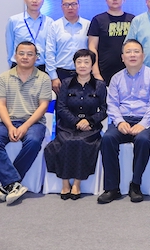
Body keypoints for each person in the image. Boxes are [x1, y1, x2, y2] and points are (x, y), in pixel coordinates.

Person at [0, 41, 52, 205]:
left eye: (30, 54)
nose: (25, 57)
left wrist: (25, 126)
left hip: (34, 122)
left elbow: (43, 106)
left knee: (34, 141)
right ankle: (13, 183)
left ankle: (8, 184)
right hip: (9, 121)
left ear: (36, 58)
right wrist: (9, 126)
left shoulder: (43, 78)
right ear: (15, 56)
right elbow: (1, 105)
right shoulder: (4, 77)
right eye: (21, 53)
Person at [97, 40, 150, 204]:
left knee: (143, 140)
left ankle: (136, 185)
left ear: (143, 55)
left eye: (136, 51)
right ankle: (112, 188)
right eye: (128, 52)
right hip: (123, 120)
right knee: (107, 139)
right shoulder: (116, 78)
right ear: (122, 57)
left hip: (145, 121)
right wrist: (119, 122)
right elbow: (112, 104)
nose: (132, 55)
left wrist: (143, 124)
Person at [44, 49, 107, 199]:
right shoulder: (66, 83)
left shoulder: (100, 85)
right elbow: (61, 107)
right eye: (79, 62)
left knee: (81, 142)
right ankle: (65, 182)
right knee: (65, 142)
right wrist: (76, 121)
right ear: (74, 64)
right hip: (67, 125)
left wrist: (89, 121)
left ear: (92, 65)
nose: (82, 65)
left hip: (90, 127)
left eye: (86, 62)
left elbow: (105, 109)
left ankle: (77, 183)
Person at [88, 0, 135, 85]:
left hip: (129, 70)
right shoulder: (98, 20)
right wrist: (96, 72)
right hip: (104, 71)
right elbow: (92, 47)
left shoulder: (132, 19)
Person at [45, 0, 90, 95]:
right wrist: (53, 77)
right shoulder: (54, 26)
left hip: (83, 73)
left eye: (73, 4)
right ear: (61, 7)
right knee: (62, 103)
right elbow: (50, 52)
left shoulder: (88, 25)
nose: (70, 7)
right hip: (61, 74)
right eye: (66, 5)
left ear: (79, 5)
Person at [5, 0, 53, 71]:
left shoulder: (50, 22)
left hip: (42, 68)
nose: (34, 0)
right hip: (19, 67)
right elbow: (10, 47)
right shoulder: (14, 20)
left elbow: (51, 49)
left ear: (43, 1)